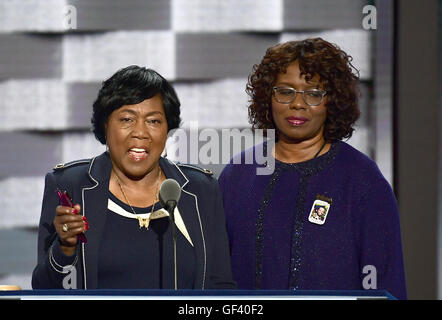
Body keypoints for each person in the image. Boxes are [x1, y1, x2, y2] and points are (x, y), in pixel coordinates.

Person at [218, 38, 407, 299]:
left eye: (314, 93)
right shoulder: (238, 175)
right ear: (268, 97)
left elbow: (385, 282)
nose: (298, 104)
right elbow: (214, 278)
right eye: (285, 91)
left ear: (333, 101)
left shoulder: (362, 179)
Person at [32, 65, 235, 290]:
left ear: (167, 129)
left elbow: (221, 285)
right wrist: (65, 249)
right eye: (127, 119)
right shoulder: (70, 186)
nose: (140, 132)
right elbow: (44, 289)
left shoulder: (200, 190)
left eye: (154, 121)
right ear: (105, 125)